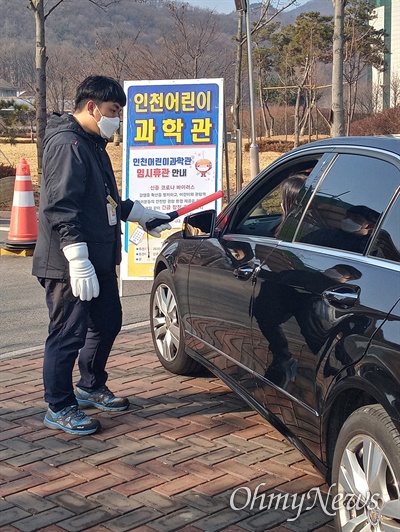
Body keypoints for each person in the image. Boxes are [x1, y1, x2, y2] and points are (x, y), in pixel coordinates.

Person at [32, 75, 171, 436]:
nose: (117, 120)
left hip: (99, 254)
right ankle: (59, 404)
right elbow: (61, 207)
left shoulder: (93, 144)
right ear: (92, 107)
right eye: (113, 111)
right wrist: (77, 260)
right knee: (67, 332)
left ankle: (90, 384)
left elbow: (105, 200)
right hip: (69, 261)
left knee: (108, 321)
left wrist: (140, 214)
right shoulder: (67, 145)